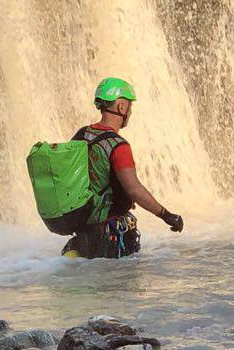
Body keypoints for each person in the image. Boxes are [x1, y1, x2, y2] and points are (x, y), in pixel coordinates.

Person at [62, 77, 184, 259]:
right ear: (121, 107)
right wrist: (166, 215)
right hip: (110, 235)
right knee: (120, 287)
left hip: (84, 231)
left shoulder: (82, 134)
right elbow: (134, 190)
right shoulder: (119, 146)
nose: (130, 111)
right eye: (129, 106)